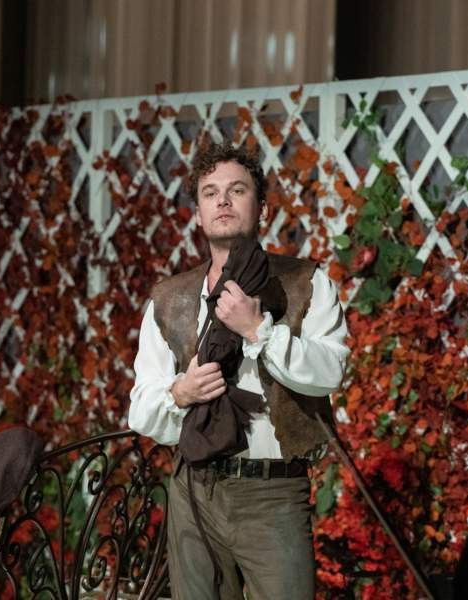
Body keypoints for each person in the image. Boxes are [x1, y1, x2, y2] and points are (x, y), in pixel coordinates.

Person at [128, 140, 349, 599]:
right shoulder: (170, 298)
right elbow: (141, 408)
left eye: (237, 190)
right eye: (210, 193)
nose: (223, 201)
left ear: (262, 208)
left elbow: (330, 371)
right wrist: (180, 393)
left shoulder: (306, 282)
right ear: (198, 213)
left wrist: (259, 331)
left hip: (272, 493)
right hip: (194, 489)